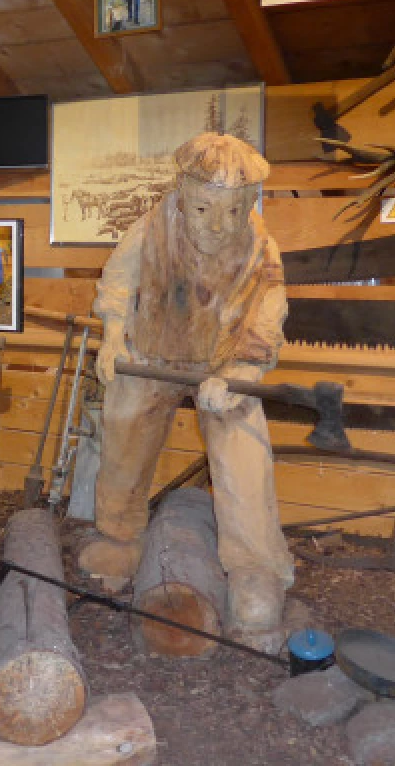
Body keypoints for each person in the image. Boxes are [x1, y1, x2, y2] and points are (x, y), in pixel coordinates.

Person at [80, 132, 294, 650]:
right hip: (154, 353)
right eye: (203, 209)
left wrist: (243, 372)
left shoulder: (260, 247)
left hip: (225, 364)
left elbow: (270, 315)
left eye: (231, 212)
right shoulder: (151, 228)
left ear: (248, 205)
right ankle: (119, 534)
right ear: (181, 192)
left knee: (242, 449)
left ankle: (254, 568)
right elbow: (117, 281)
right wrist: (112, 338)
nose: (217, 227)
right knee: (125, 425)